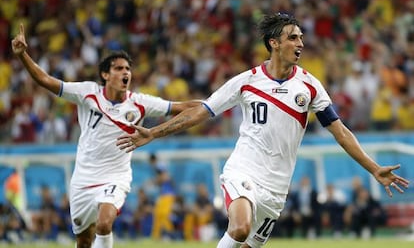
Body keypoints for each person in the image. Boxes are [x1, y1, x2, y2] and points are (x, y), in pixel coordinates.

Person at [117, 13, 410, 248]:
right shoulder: (246, 81)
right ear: (274, 43)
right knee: (240, 228)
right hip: (244, 170)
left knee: (245, 244)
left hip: (277, 188)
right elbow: (202, 111)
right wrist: (155, 132)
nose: (301, 44)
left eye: (301, 38)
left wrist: (373, 168)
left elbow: (340, 131)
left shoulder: (309, 86)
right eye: (293, 37)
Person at [11, 24, 200, 248]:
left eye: (127, 68)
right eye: (119, 68)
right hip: (82, 180)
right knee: (83, 241)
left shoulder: (140, 103)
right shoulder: (87, 92)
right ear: (105, 75)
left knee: (104, 222)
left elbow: (185, 106)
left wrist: (215, 104)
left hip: (115, 177)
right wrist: (23, 55)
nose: (126, 72)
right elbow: (45, 80)